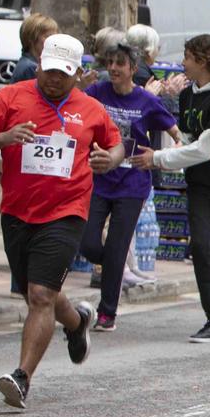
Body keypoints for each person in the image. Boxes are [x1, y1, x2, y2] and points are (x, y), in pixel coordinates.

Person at [0, 33, 123, 407]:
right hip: (17, 211)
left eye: (63, 74)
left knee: (40, 295)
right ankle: (76, 322)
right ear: (39, 64)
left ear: (78, 74)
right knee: (34, 291)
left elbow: (115, 144)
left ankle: (21, 378)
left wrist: (110, 159)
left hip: (66, 212)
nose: (54, 79)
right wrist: (6, 136)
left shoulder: (90, 109)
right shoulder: (11, 97)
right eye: (49, 71)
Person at [135, 36, 210, 342]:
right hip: (201, 184)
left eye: (187, 57)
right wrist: (175, 148)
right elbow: (190, 139)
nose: (182, 63)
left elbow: (206, 149)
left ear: (202, 61)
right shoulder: (189, 93)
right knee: (201, 248)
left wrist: (158, 159)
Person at [79, 40, 177, 331]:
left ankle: (107, 312)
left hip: (131, 183)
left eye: (119, 64)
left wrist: (159, 158)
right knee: (88, 243)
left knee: (118, 244)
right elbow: (75, 111)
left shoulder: (146, 101)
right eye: (110, 63)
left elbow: (174, 132)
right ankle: (114, 262)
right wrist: (79, 87)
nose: (113, 69)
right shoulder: (98, 92)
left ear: (133, 68)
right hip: (98, 178)